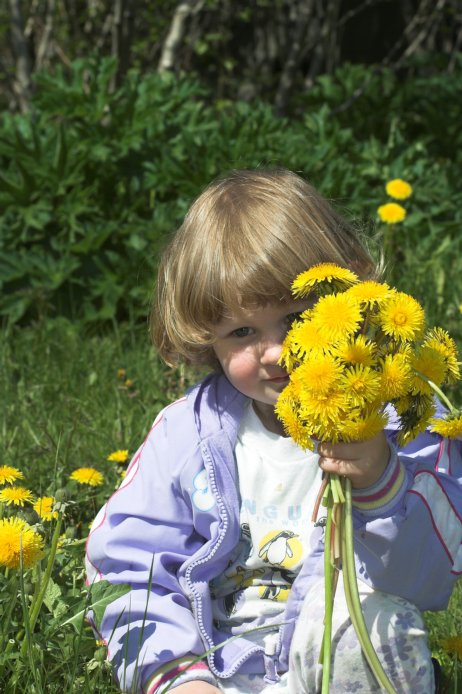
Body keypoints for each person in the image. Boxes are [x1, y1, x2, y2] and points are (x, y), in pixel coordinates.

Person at [85, 168, 462, 694]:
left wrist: (382, 481)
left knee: (368, 629)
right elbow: (128, 567)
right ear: (206, 341)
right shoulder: (186, 436)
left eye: (297, 318)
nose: (278, 352)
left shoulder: (395, 419)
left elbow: (432, 572)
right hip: (218, 675)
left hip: (345, 668)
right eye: (242, 331)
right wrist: (175, 676)